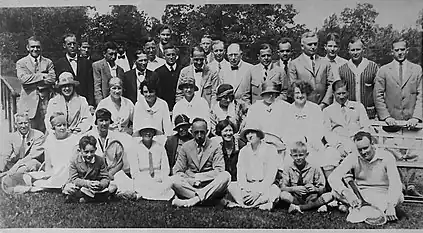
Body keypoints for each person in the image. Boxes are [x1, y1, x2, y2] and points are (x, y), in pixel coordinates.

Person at [374, 37, 423, 197]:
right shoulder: (383, 70)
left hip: (411, 121)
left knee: (413, 154)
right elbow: (378, 95)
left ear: (407, 50)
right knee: (395, 153)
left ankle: (411, 185)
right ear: (392, 51)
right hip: (392, 121)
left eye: (403, 49)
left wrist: (416, 117)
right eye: (397, 50)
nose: (400, 52)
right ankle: (399, 184)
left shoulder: (417, 70)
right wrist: (386, 116)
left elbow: (421, 95)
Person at [328, 131, 404, 222]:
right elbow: (333, 177)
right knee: (335, 192)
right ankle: (364, 208)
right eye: (359, 149)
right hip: (361, 193)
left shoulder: (387, 157)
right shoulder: (353, 156)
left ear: (372, 144)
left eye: (365, 148)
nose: (363, 152)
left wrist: (390, 204)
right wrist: (346, 192)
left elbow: (395, 183)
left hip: (383, 193)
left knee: (399, 196)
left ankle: (355, 208)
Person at [170, 118, 231, 207]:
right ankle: (211, 201)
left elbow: (219, 170)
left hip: (210, 184)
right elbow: (177, 170)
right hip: (192, 185)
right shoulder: (185, 147)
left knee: (226, 176)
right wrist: (192, 181)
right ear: (191, 132)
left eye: (202, 132)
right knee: (174, 180)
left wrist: (198, 177)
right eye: (196, 132)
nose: (199, 135)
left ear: (207, 131)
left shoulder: (215, 146)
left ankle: (194, 200)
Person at [323, 80, 372, 186]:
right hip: (337, 144)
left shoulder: (358, 107)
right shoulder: (328, 111)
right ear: (333, 94)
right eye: (338, 94)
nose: (341, 96)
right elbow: (327, 132)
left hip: (356, 143)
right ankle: (336, 189)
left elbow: (366, 127)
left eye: (343, 93)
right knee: (329, 156)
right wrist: (338, 145)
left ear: (348, 92)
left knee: (358, 157)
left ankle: (358, 188)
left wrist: (358, 143)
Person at [224, 123, 280, 210]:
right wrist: (245, 190)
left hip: (263, 186)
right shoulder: (243, 151)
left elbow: (270, 176)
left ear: (259, 135)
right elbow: (241, 174)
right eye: (247, 133)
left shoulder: (270, 149)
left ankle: (245, 205)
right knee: (231, 186)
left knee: (275, 190)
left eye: (252, 133)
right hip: (248, 186)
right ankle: (260, 204)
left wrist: (258, 193)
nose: (249, 136)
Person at [285, 81, 338, 167]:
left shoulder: (315, 108)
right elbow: (286, 132)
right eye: (297, 93)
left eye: (303, 93)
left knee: (323, 157)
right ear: (293, 94)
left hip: (313, 145)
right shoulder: (288, 110)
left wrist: (310, 142)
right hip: (294, 146)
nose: (300, 95)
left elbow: (319, 130)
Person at [279, 140, 333, 213]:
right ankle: (312, 206)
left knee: (330, 196)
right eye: (295, 155)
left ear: (306, 155)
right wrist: (294, 189)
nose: (298, 158)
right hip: (295, 198)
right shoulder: (288, 168)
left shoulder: (314, 167)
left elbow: (323, 188)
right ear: (291, 156)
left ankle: (299, 207)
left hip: (311, 197)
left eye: (301, 155)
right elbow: (282, 188)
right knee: (283, 195)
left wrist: (315, 189)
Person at [16, 36, 56, 133]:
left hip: (45, 102)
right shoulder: (21, 63)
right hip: (28, 103)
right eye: (32, 46)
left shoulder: (48, 62)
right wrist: (42, 75)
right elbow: (23, 79)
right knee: (29, 132)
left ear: (41, 48)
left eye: (38, 47)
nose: (35, 49)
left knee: (46, 131)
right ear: (27, 47)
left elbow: (52, 78)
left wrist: (32, 79)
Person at [30, 112, 79, 189]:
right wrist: (49, 174)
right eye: (59, 125)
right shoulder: (50, 139)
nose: (62, 128)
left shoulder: (74, 139)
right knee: (39, 180)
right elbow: (48, 165)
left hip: (69, 172)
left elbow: (75, 163)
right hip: (54, 172)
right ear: (53, 128)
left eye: (64, 125)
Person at [62, 135, 118, 203]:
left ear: (95, 149)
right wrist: (87, 183)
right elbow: (74, 179)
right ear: (80, 151)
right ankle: (97, 198)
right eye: (86, 152)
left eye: (92, 151)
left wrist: (100, 185)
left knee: (113, 187)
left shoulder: (99, 160)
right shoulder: (74, 160)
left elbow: (105, 177)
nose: (89, 155)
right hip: (80, 186)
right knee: (68, 188)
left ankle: (85, 198)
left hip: (95, 186)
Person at [289, 32, 334, 109]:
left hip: (323, 107)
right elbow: (294, 87)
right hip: (303, 107)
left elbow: (331, 84)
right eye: (310, 44)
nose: (313, 47)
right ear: (302, 46)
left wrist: (324, 103)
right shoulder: (294, 64)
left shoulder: (325, 62)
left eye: (315, 44)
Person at [129, 124, 174, 200]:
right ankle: (152, 193)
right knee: (139, 184)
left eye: (150, 131)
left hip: (159, 178)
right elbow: (134, 172)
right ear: (140, 133)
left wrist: (162, 178)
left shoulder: (160, 147)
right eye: (145, 131)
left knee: (169, 182)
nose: (148, 133)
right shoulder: (135, 148)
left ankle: (145, 194)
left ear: (154, 133)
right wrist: (146, 180)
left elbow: (165, 168)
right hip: (143, 179)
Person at [338, 37, 378, 119]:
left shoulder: (373, 67)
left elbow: (378, 92)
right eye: (352, 50)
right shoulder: (342, 69)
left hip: (369, 114)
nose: (355, 53)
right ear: (348, 51)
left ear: (363, 49)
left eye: (358, 49)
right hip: (349, 114)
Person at [54, 33, 95, 107]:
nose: (72, 46)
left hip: (84, 102)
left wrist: (91, 103)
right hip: (66, 103)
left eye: (74, 43)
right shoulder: (58, 64)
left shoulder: (86, 63)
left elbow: (90, 85)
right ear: (64, 45)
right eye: (69, 44)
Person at [93, 41, 125, 106]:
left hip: (117, 102)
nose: (113, 57)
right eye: (111, 54)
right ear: (104, 54)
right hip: (104, 102)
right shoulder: (98, 66)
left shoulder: (120, 69)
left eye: (115, 54)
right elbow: (97, 87)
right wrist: (100, 105)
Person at [153, 44, 182, 111]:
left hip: (180, 106)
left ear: (176, 56)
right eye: (168, 55)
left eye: (173, 54)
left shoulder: (182, 70)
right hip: (163, 108)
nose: (171, 57)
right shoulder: (157, 72)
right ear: (164, 56)